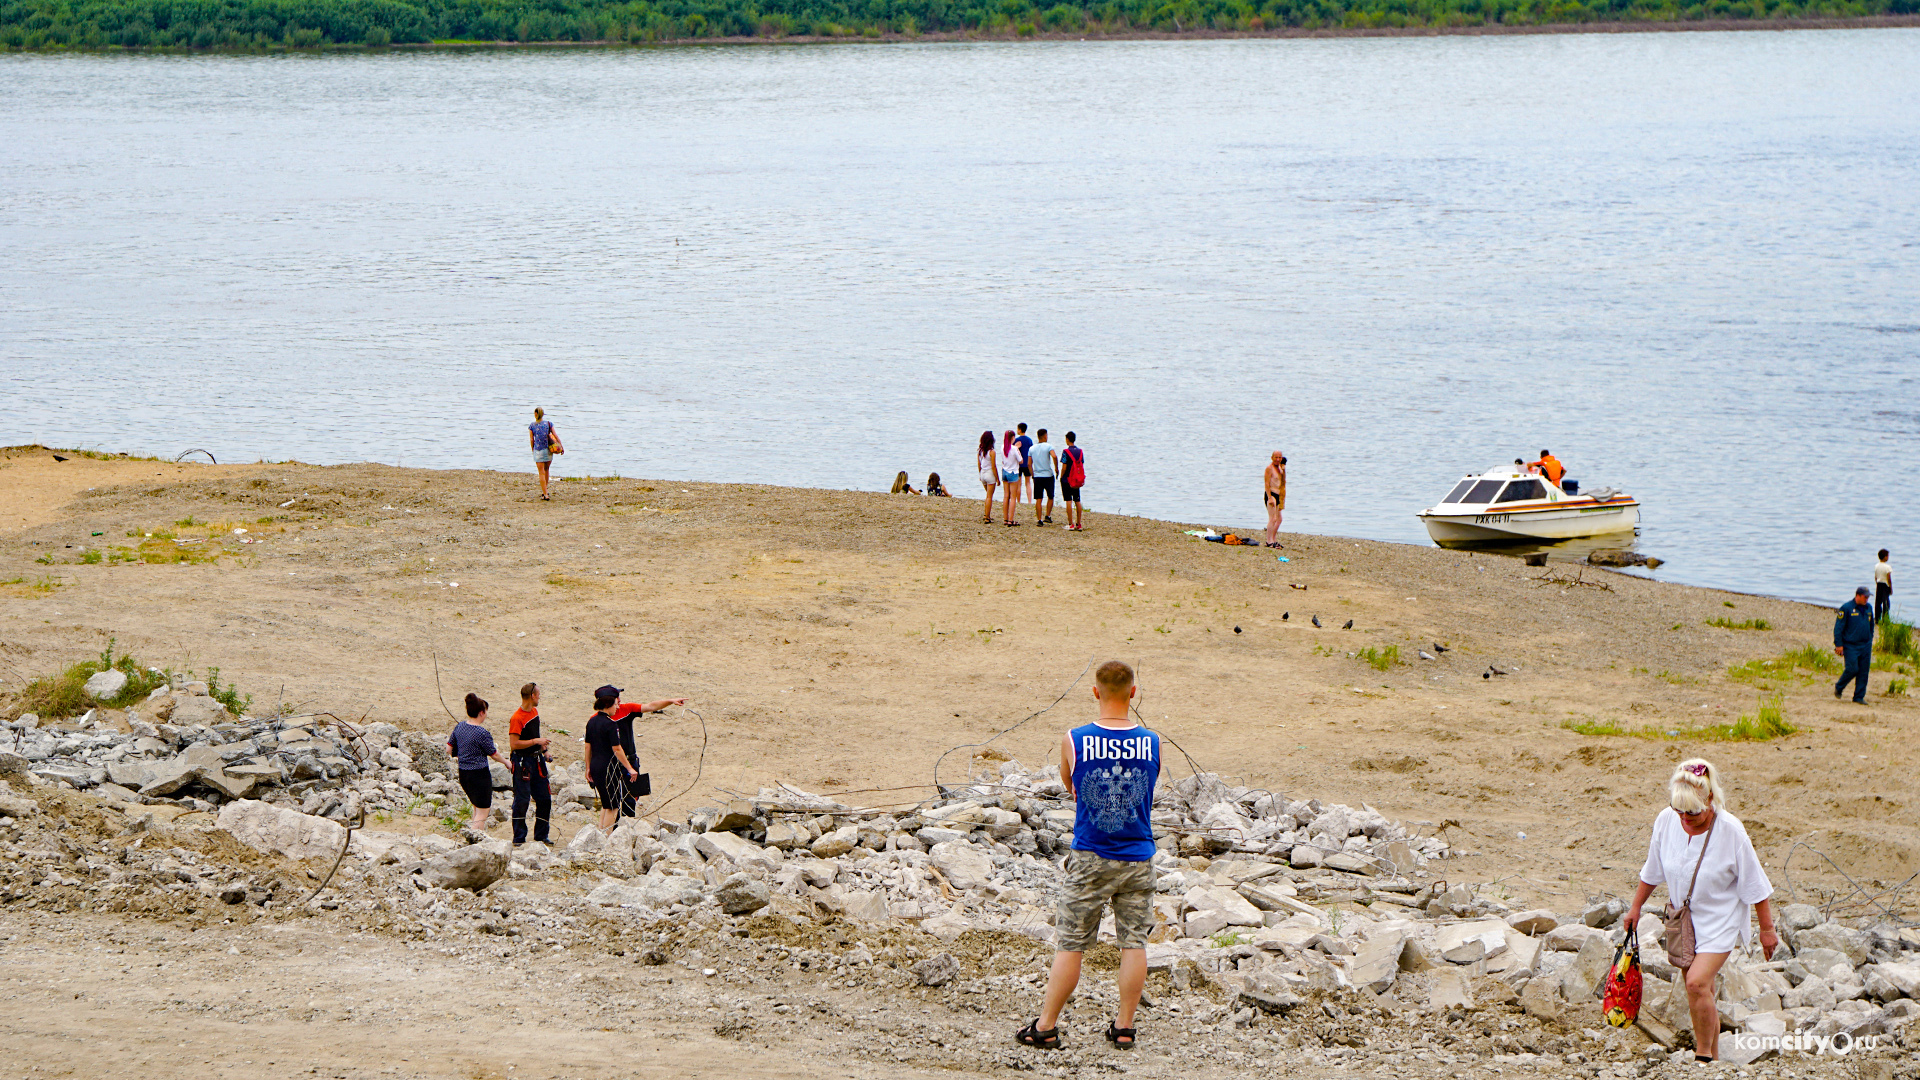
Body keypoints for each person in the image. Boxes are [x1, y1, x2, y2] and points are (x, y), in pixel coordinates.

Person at [1015, 661, 1159, 1051]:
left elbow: (1071, 786)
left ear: (1095, 692)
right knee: (1133, 943)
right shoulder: (1152, 741)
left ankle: (1046, 1025)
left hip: (1091, 853)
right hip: (1138, 855)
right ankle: (1124, 1026)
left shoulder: (1075, 739)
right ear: (1133, 692)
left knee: (1072, 943)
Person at [1624, 760, 1776, 1064]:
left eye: (1692, 812)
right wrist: (1635, 907)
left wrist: (1767, 929)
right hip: (1684, 920)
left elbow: (1755, 882)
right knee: (1699, 990)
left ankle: (1703, 1056)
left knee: (1695, 983)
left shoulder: (1731, 830)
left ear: (1710, 800)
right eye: (1679, 810)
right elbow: (1652, 869)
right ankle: (1715, 1063)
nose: (1685, 818)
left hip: (1721, 919)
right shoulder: (1667, 821)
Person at [597, 684, 686, 822]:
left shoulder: (626, 709)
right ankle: (611, 832)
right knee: (612, 800)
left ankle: (627, 828)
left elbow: (651, 706)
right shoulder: (597, 719)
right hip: (610, 763)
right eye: (616, 697)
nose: (619, 700)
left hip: (630, 759)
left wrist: (670, 701)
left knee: (631, 798)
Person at [447, 693, 510, 835]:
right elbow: (494, 754)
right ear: (481, 712)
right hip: (479, 776)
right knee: (483, 811)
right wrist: (507, 762)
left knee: (476, 808)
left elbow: (448, 749)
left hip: (463, 774)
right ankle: (475, 839)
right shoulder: (482, 732)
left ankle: (473, 834)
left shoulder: (460, 727)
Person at [583, 690, 641, 833]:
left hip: (596, 766)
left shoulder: (592, 721)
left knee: (606, 803)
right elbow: (617, 749)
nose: (617, 707)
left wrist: (588, 767)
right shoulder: (610, 724)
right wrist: (629, 768)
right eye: (616, 704)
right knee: (613, 806)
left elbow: (587, 746)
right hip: (608, 768)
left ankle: (600, 834)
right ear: (608, 705)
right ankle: (606, 837)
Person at [507, 682, 552, 847]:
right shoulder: (517, 718)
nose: (540, 697)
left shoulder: (534, 712)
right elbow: (514, 744)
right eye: (538, 694)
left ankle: (541, 836)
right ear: (532, 696)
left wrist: (543, 749)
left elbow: (536, 735)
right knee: (522, 800)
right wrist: (535, 741)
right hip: (522, 762)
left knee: (544, 798)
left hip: (537, 759)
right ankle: (519, 838)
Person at [1834, 586, 1876, 703]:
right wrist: (1839, 645)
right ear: (1857, 596)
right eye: (1865, 597)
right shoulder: (1846, 608)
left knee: (1863, 671)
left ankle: (1858, 697)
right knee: (1852, 668)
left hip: (1865, 645)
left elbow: (1871, 625)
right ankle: (1839, 687)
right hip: (1851, 645)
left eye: (1868, 597)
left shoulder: (1868, 608)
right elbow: (1838, 628)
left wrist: (1870, 638)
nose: (1866, 599)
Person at [528, 408, 561, 501]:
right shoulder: (549, 424)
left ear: (535, 414)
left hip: (538, 450)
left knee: (541, 472)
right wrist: (561, 446)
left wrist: (532, 449)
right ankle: (545, 491)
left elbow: (531, 440)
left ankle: (545, 494)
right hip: (548, 450)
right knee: (546, 469)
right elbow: (555, 435)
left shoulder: (532, 426)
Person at [1030, 429, 1057, 526]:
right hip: (1048, 475)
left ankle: (1039, 519)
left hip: (1037, 476)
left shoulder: (1032, 448)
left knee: (1038, 498)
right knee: (1050, 496)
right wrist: (1056, 468)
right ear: (1045, 436)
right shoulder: (1049, 446)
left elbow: (1029, 464)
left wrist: (1032, 474)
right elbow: (1054, 456)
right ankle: (1048, 516)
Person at [1059, 432, 1085, 532]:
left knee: (1068, 500)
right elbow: (1081, 464)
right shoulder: (1080, 451)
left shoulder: (1066, 452)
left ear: (1067, 439)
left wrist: (1061, 477)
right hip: (1077, 479)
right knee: (1077, 500)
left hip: (1067, 479)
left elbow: (1064, 466)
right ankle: (1079, 523)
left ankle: (1070, 524)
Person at [1263, 451, 1287, 548]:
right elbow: (1267, 484)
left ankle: (1273, 539)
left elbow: (1283, 481)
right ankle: (1269, 541)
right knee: (1272, 519)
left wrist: (1284, 469)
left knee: (1278, 519)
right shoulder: (1269, 468)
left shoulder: (1280, 468)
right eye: (1276, 457)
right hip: (1271, 494)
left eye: (1279, 457)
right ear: (1272, 457)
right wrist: (1269, 498)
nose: (1277, 459)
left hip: (1278, 494)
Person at [1000, 430, 1023, 527]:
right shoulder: (1014, 449)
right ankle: (1011, 519)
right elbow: (1021, 461)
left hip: (1004, 471)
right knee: (1013, 497)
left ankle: (1005, 518)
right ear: (1012, 438)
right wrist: (1017, 448)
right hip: (1013, 472)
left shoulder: (1002, 447)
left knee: (1006, 496)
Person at [977, 430, 999, 525]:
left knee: (988, 496)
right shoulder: (992, 452)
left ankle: (986, 514)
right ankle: (987, 516)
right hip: (990, 474)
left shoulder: (980, 451)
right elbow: (994, 466)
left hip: (982, 473)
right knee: (989, 496)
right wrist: (997, 478)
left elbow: (979, 464)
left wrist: (980, 475)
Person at [1015, 423, 1035, 505]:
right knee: (1028, 483)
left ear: (1019, 430)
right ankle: (1029, 501)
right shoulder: (1029, 440)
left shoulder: (1016, 440)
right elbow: (1032, 452)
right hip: (1027, 463)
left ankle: (1018, 501)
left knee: (1019, 483)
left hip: (1019, 464)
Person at [1875, 549, 1893, 623]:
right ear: (1885, 557)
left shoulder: (1876, 566)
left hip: (1879, 584)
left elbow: (1875, 577)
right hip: (1885, 585)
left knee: (1878, 602)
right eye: (1887, 556)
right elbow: (1889, 578)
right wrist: (1890, 587)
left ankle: (1877, 618)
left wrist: (1877, 583)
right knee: (1886, 603)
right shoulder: (1887, 567)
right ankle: (1885, 619)